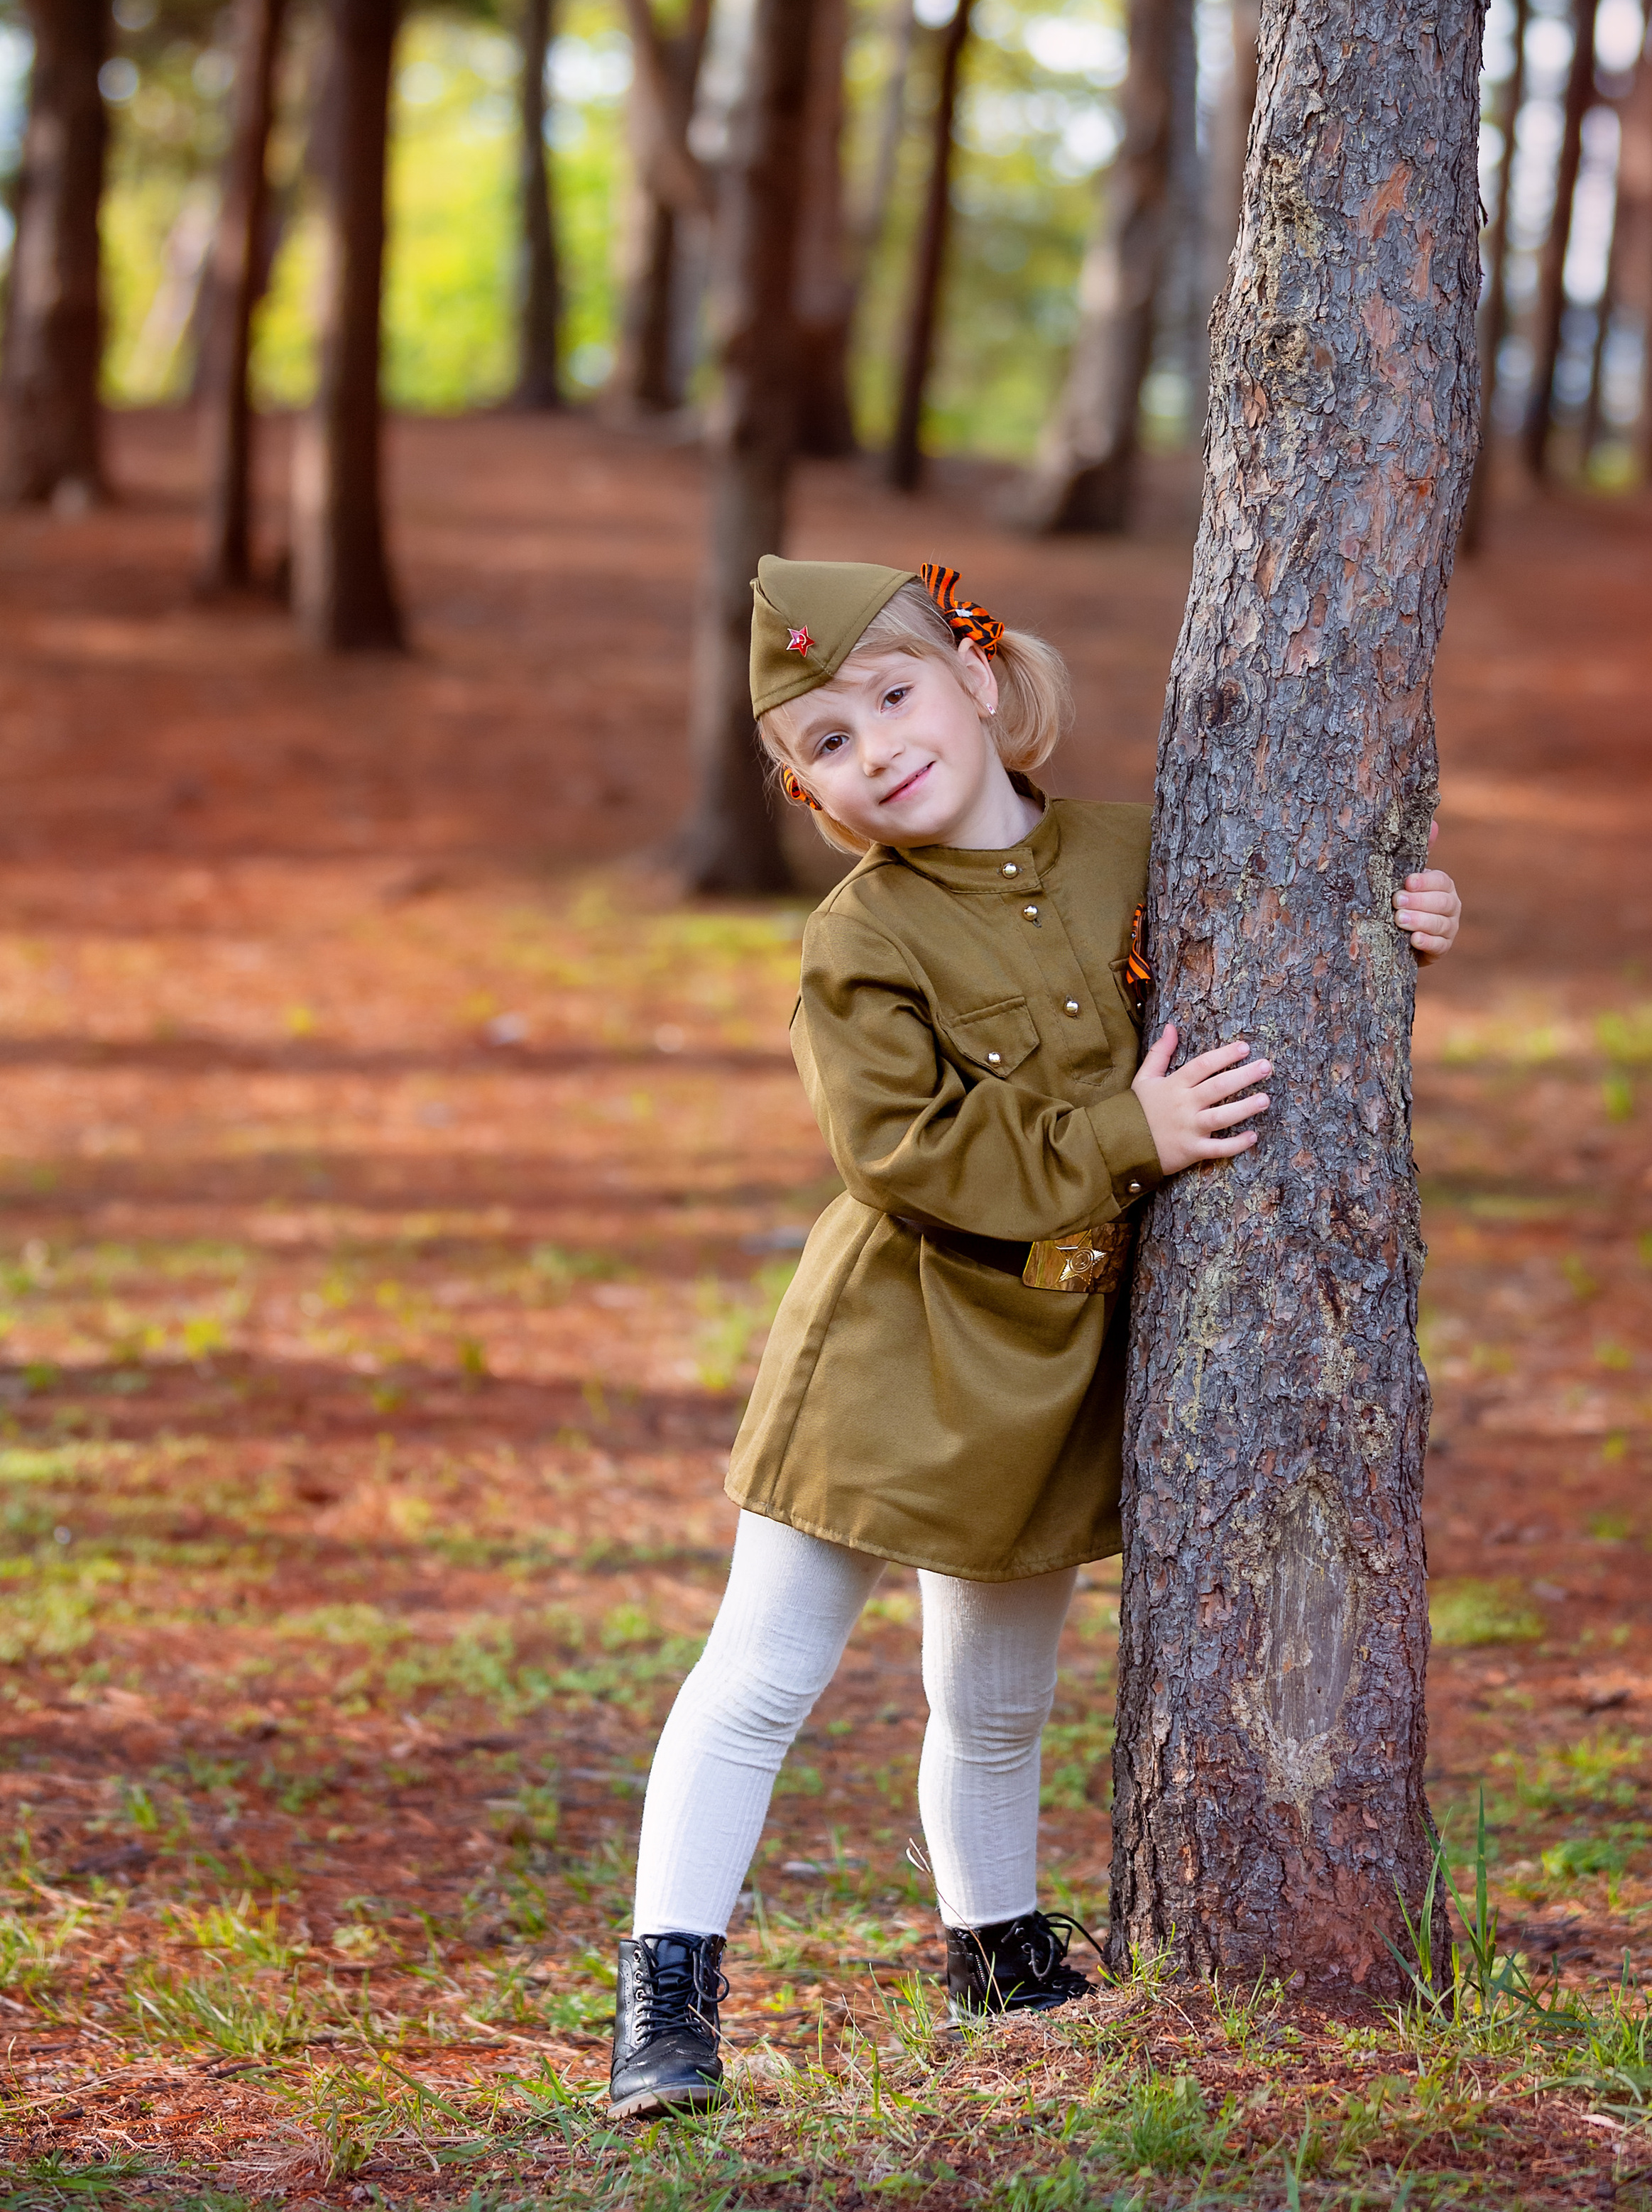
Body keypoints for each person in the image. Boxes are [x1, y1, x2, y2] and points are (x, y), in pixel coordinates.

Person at [609, 557, 1462, 2119]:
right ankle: (666, 1997)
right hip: (891, 1350)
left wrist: (1395, 919)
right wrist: (1122, 1134)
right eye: (828, 742)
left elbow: (1290, 951)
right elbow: (900, 1152)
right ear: (813, 796)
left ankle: (997, 1965)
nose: (877, 744)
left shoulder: (1147, 855)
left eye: (893, 693)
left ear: (980, 680)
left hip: (1053, 1365)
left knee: (993, 1697)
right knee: (759, 1678)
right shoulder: (858, 939)